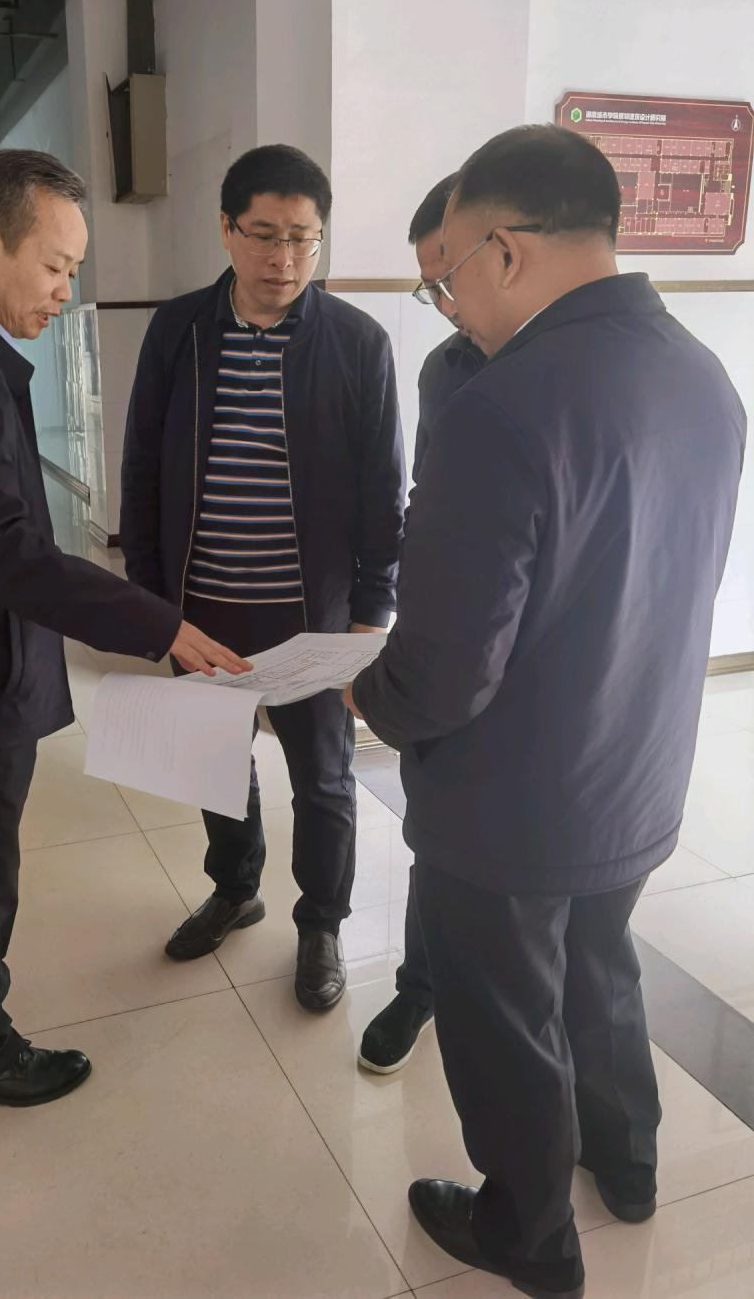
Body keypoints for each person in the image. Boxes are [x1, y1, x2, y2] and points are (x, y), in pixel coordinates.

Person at [346, 125, 745, 1297]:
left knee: (506, 1021)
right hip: (638, 769)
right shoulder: (702, 374)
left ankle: (527, 1235)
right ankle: (627, 1163)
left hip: (509, 808)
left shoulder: (501, 405)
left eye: (449, 278)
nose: (449, 308)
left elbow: (443, 676)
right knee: (599, 973)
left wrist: (362, 688)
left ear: (504, 251)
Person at [0, 149, 248, 1112]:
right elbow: (4, 549)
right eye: (56, 265)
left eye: (74, 269)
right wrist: (158, 624)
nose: (67, 290)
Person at [121, 144, 405, 1011]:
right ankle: (235, 886)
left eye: (303, 238)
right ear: (226, 228)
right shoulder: (178, 332)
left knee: (323, 777)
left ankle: (321, 923)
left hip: (312, 615)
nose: (284, 258)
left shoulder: (358, 343)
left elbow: (383, 488)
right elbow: (142, 469)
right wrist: (151, 603)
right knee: (213, 761)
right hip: (201, 607)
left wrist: (372, 611)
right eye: (264, 234)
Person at [359, 173, 486, 1075]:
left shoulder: (565, 374)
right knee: (433, 838)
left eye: (451, 279)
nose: (444, 304)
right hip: (449, 643)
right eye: (428, 286)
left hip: (537, 674)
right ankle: (419, 986)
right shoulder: (446, 370)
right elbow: (425, 498)